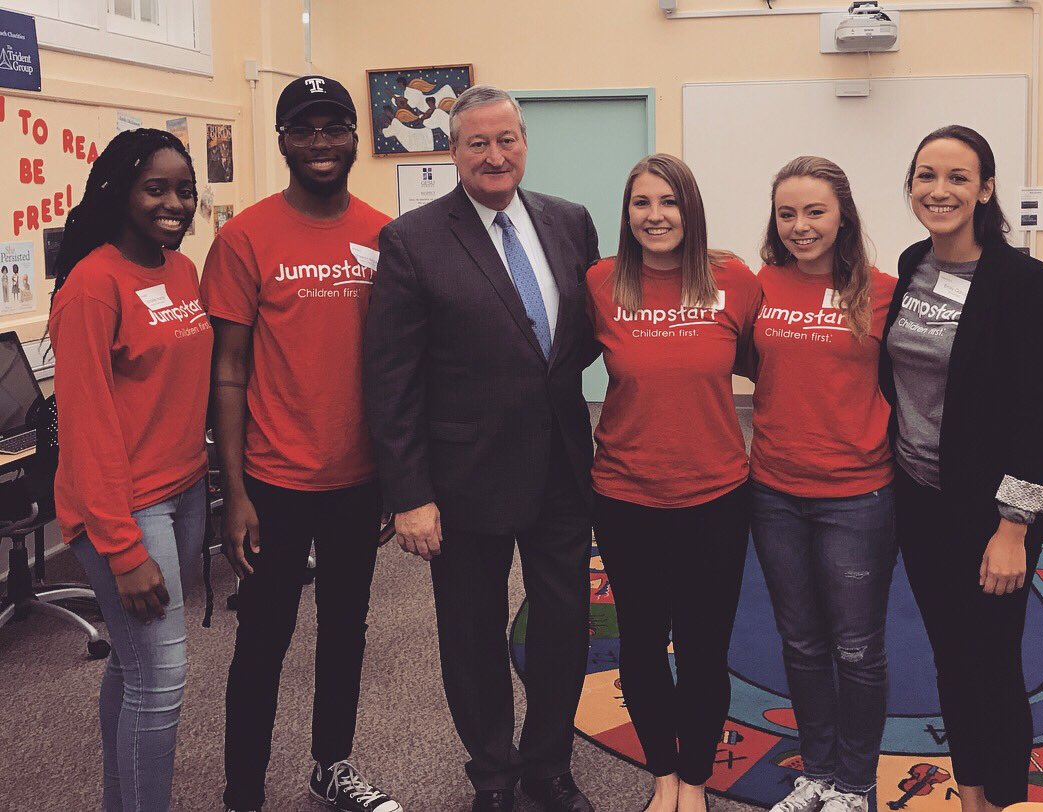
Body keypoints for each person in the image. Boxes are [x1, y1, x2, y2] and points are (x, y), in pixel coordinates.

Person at [364, 84, 600, 812]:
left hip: (562, 466)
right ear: (454, 151)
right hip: (462, 479)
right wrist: (409, 494)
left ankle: (549, 766)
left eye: (507, 140)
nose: (496, 156)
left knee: (564, 623)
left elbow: (581, 340)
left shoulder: (570, 222)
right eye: (478, 144)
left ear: (524, 142)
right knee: (470, 635)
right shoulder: (414, 240)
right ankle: (493, 774)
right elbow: (391, 378)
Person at [200, 76, 400, 812]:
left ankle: (331, 765)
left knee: (346, 630)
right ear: (282, 139)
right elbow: (228, 372)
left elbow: (398, 366)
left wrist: (397, 478)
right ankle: (243, 792)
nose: (321, 143)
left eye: (334, 127)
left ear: (354, 137)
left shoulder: (385, 235)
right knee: (263, 641)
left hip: (358, 477)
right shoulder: (245, 236)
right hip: (273, 481)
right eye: (304, 129)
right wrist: (235, 494)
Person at [881, 125, 1043, 812]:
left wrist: (1013, 526)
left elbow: (1036, 415)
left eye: (958, 177)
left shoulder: (1023, 282)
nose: (939, 190)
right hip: (921, 502)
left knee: (992, 668)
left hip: (991, 515)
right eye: (926, 175)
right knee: (952, 662)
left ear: (985, 188)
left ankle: (1008, 800)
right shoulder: (910, 264)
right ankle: (974, 796)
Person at [585, 154, 759, 812]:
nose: (655, 216)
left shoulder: (734, 281)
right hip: (626, 497)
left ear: (690, 209)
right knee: (641, 640)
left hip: (715, 495)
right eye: (642, 204)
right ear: (627, 214)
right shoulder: (601, 283)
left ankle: (694, 777)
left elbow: (773, 365)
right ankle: (662, 773)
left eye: (669, 202)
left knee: (703, 645)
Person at [48, 127, 209, 812]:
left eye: (184, 189)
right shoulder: (92, 286)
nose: (175, 203)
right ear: (118, 192)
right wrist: (121, 546)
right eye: (157, 188)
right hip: (126, 511)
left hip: (184, 491)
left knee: (135, 664)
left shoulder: (182, 270)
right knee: (162, 679)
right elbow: (86, 430)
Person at [750, 156, 897, 812]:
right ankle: (818, 770)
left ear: (843, 215)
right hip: (774, 488)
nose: (801, 226)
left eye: (815, 212)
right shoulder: (759, 286)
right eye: (788, 213)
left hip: (857, 495)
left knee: (857, 648)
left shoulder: (885, 288)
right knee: (802, 642)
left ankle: (856, 783)